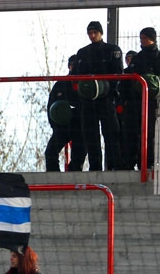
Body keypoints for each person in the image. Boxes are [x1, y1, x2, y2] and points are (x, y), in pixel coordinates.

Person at [72, 21, 124, 171]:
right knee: (90, 134)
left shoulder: (112, 50)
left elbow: (118, 73)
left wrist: (109, 91)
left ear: (101, 33)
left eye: (95, 32)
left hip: (106, 98)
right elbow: (75, 75)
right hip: (87, 100)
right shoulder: (82, 52)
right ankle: (95, 166)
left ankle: (115, 164)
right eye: (90, 33)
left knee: (111, 132)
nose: (92, 36)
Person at [121, 27, 160, 170]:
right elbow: (128, 77)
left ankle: (148, 162)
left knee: (150, 132)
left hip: (152, 101)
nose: (142, 41)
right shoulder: (137, 57)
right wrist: (124, 99)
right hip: (134, 101)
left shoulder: (157, 57)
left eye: (144, 38)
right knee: (131, 131)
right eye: (141, 38)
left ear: (152, 38)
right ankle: (130, 162)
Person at [44, 55, 82, 172]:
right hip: (62, 127)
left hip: (80, 126)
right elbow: (51, 105)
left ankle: (73, 175)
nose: (73, 68)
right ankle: (54, 176)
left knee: (79, 154)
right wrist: (55, 125)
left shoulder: (85, 82)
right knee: (50, 152)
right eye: (71, 65)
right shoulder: (60, 84)